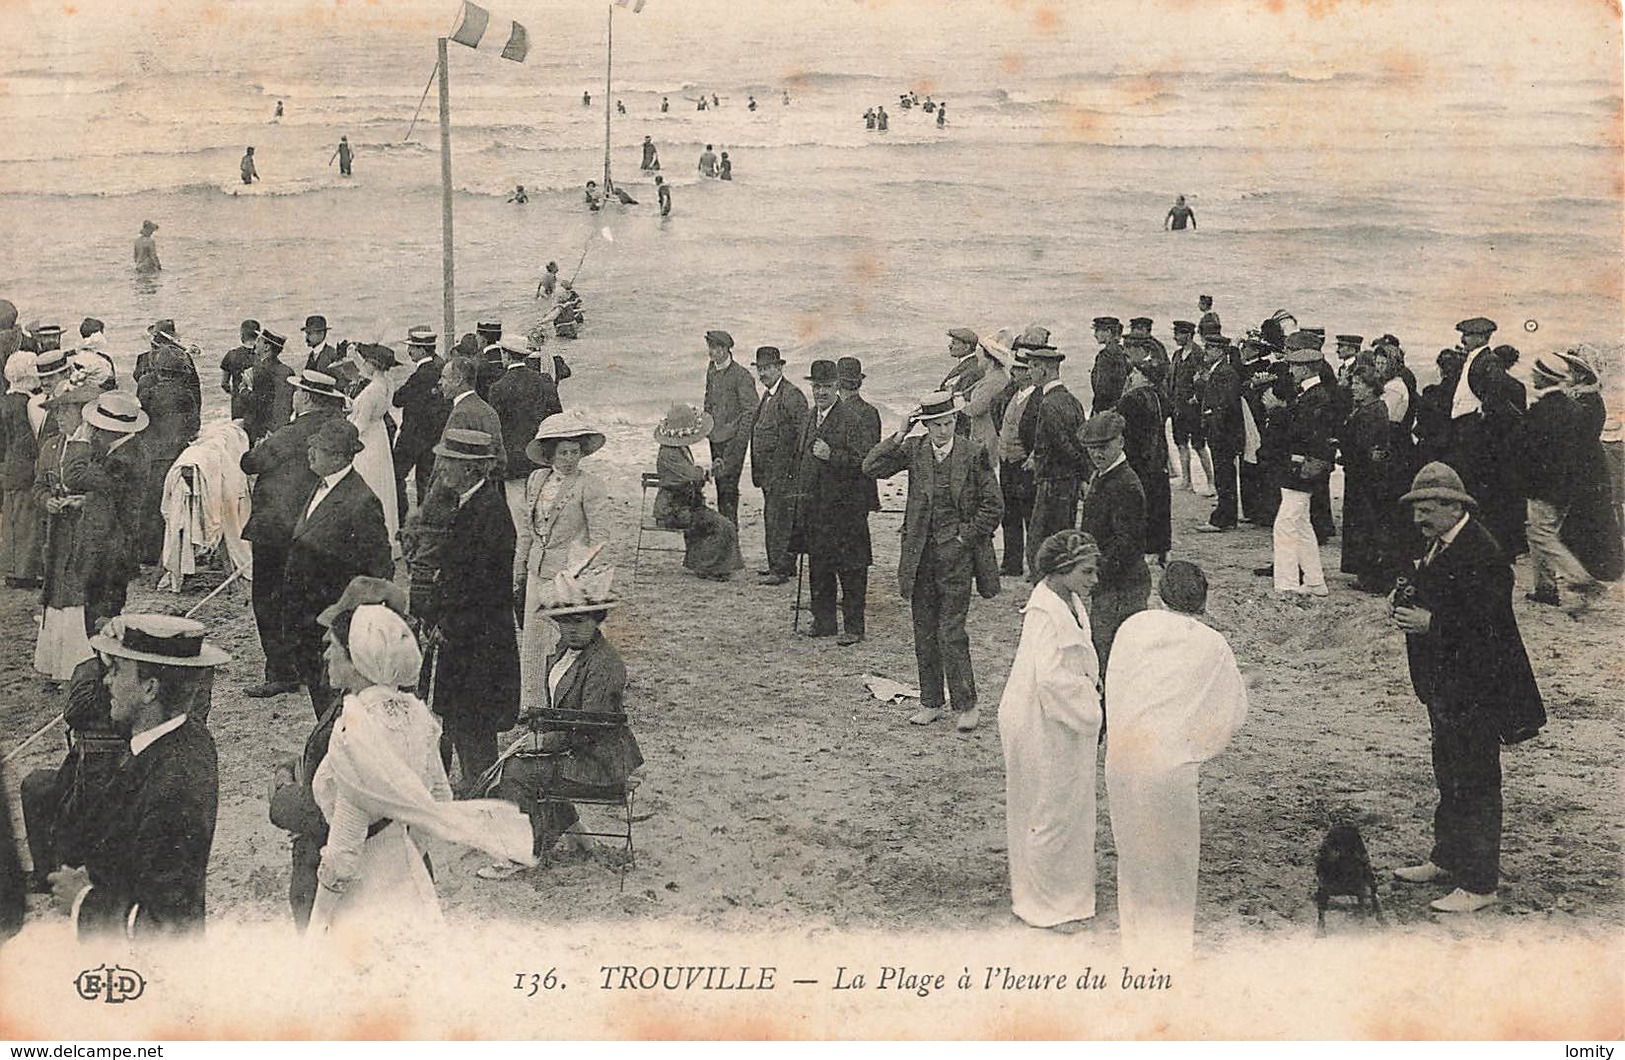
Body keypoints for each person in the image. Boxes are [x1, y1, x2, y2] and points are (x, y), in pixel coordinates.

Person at [306, 592, 533, 935]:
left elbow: (343, 850)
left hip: (368, 885)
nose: (325, 656)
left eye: (334, 649)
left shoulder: (354, 731)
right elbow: (439, 799)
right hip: (409, 872)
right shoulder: (417, 714)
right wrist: (405, 848)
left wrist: (316, 924)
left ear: (357, 661)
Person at [1390, 462, 1544, 914]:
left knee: (1475, 780)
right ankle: (1448, 858)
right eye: (1416, 509)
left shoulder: (1483, 552)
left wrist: (1430, 622)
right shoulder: (1440, 545)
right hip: (1446, 687)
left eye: (1427, 509)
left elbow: (1488, 627)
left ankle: (1479, 883)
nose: (1418, 519)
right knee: (1450, 773)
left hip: (1478, 688)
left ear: (1454, 506)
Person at [48, 614, 226, 938]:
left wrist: (82, 901)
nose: (106, 681)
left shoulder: (172, 785)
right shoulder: (187, 738)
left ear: (149, 688)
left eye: (116, 670)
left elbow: (168, 926)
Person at [1105, 561, 1247, 958]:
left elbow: (1116, 683)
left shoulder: (1133, 627)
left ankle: (1136, 948)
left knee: (1133, 856)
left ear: (1160, 594)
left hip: (1123, 756)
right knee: (1173, 862)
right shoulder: (1213, 644)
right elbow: (1233, 712)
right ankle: (1169, 956)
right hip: (1170, 766)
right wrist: (1194, 750)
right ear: (1202, 601)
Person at [481, 572, 642, 877]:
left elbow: (592, 726)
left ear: (597, 620)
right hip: (578, 748)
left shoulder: (605, 664)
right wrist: (537, 720)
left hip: (600, 761)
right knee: (512, 762)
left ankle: (524, 853)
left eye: (580, 621)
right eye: (565, 621)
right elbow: (565, 711)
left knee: (517, 773)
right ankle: (575, 833)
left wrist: (545, 742)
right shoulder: (563, 653)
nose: (571, 629)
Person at [863, 392, 1002, 730]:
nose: (944, 431)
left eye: (949, 423)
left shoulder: (972, 454)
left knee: (951, 632)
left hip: (957, 559)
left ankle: (966, 705)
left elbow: (993, 507)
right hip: (920, 556)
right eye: (937, 424)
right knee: (924, 631)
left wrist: (962, 538)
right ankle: (931, 701)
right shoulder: (915, 450)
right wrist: (900, 432)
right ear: (925, 425)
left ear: (956, 421)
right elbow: (871, 467)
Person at [997, 530, 1103, 930]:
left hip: (1060, 717)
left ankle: (1066, 893)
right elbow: (1051, 680)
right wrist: (1092, 709)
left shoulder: (1069, 600)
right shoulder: (1045, 614)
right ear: (1062, 571)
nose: (1094, 579)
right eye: (1087, 571)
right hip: (1041, 720)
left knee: (1067, 806)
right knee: (1050, 808)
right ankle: (1044, 903)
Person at [411, 430, 521, 794]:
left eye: (449, 462)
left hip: (478, 641)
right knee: (462, 718)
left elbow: (486, 590)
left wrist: (449, 623)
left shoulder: (488, 513)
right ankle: (477, 787)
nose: (441, 468)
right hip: (468, 638)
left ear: (472, 469)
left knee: (474, 724)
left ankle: (485, 794)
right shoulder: (472, 506)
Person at [241, 369, 349, 698]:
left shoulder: (291, 433)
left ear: (305, 397)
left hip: (278, 528)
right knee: (308, 596)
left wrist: (261, 445)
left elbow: (250, 462)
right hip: (318, 524)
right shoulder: (336, 429)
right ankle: (307, 665)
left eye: (297, 391)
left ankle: (281, 671)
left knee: (270, 598)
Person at [281, 418, 393, 719]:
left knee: (338, 708)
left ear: (341, 458)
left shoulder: (361, 501)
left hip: (333, 624)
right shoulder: (320, 485)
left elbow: (379, 570)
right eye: (313, 445)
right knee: (322, 702)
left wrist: (346, 619)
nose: (311, 452)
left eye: (321, 449)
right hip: (307, 619)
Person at [514, 412, 610, 707]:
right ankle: (533, 702)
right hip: (537, 571)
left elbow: (601, 538)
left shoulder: (589, 485)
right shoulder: (536, 480)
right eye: (563, 452)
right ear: (550, 453)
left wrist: (591, 580)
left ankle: (569, 701)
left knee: (567, 640)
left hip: (569, 575)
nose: (570, 458)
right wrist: (519, 570)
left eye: (575, 452)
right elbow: (527, 532)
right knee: (533, 639)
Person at [792, 361, 873, 644]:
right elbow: (801, 460)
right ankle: (824, 622)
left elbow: (865, 463)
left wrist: (832, 455)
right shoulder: (809, 416)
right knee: (819, 566)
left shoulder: (852, 419)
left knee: (851, 569)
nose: (821, 392)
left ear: (837, 386)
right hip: (816, 508)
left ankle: (854, 628)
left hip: (846, 509)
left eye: (826, 386)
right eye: (816, 386)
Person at [1520, 353, 1607, 611]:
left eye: (1535, 373)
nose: (1532, 376)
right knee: (1541, 531)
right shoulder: (1571, 408)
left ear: (1545, 377)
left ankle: (1581, 580)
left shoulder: (1543, 410)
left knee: (1540, 533)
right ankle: (1544, 589)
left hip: (1546, 485)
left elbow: (1535, 451)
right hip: (1566, 484)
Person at [1441, 317, 1526, 558]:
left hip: (1475, 436)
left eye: (1467, 335)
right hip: (1465, 432)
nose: (1462, 339)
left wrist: (1482, 422)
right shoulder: (1475, 360)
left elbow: (1496, 399)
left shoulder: (1488, 361)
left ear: (1481, 337)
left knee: (1479, 491)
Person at [31, 384, 99, 679]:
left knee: (78, 592)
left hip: (84, 533)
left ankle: (77, 665)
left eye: (64, 411)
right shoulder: (51, 446)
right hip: (57, 533)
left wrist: (81, 502)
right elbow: (38, 486)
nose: (59, 417)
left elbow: (105, 492)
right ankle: (53, 663)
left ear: (82, 413)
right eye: (56, 411)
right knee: (55, 591)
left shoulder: (93, 447)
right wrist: (48, 501)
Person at [1077, 411, 1149, 677]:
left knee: (1112, 659)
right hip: (1114, 582)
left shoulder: (1124, 483)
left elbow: (1126, 544)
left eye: (1103, 447)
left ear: (1120, 442)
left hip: (1122, 586)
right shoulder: (1106, 474)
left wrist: (1094, 574)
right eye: (1091, 449)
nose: (1096, 455)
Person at [66, 392, 147, 629]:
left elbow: (74, 477)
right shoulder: (128, 448)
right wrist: (87, 501)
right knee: (99, 609)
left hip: (109, 548)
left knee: (100, 614)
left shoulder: (122, 459)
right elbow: (111, 493)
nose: (95, 430)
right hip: (112, 542)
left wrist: (80, 442)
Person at [1019, 327, 1090, 579]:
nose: (1029, 372)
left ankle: (1046, 584)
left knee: (1041, 538)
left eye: (1032, 367)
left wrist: (1039, 461)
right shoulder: (1071, 399)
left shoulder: (1049, 403)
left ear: (1044, 370)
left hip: (1052, 481)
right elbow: (1081, 442)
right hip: (1067, 480)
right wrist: (1083, 476)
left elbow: (1063, 445)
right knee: (1063, 532)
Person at [1272, 333, 1337, 597]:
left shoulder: (1314, 396)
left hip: (1301, 468)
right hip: (1303, 466)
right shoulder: (1314, 394)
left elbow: (1306, 434)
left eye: (1294, 366)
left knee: (1286, 525)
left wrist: (1279, 412)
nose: (1290, 370)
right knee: (1302, 524)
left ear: (1306, 368)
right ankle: (1314, 580)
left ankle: (1286, 583)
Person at [341, 342, 415, 557]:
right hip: (379, 435)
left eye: (364, 361)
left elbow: (360, 425)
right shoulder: (386, 382)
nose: (361, 365)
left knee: (368, 482)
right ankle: (387, 534)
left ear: (373, 364)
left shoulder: (372, 389)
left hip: (368, 441)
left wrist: (347, 421)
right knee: (383, 485)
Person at [654, 404, 743, 580]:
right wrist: (709, 471)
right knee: (724, 526)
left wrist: (707, 471)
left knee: (716, 523)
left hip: (683, 505)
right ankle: (710, 568)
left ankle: (703, 564)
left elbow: (690, 476)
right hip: (673, 510)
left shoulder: (677, 449)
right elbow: (691, 476)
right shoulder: (670, 453)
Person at [747, 346, 808, 586]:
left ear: (779, 368)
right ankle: (782, 565)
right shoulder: (769, 394)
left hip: (784, 474)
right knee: (775, 518)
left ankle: (780, 570)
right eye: (760, 369)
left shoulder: (791, 395)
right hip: (769, 473)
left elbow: (801, 435)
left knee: (779, 519)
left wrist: (792, 471)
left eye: (767, 368)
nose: (763, 373)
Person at [135, 343, 202, 564]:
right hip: (176, 454)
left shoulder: (147, 393)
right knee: (175, 504)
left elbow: (139, 423)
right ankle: (175, 551)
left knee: (151, 504)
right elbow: (194, 425)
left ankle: (149, 553)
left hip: (151, 454)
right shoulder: (185, 394)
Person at [490, 336, 563, 529]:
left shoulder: (498, 388)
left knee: (517, 510)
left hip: (512, 459)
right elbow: (555, 418)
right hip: (537, 454)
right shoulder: (541, 383)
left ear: (506, 355)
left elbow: (496, 427)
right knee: (537, 508)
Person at [1339, 365, 1400, 593]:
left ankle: (1371, 577)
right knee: (1363, 523)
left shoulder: (1372, 411)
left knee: (1365, 524)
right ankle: (1367, 574)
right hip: (1361, 474)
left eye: (1358, 384)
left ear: (1371, 388)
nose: (1353, 388)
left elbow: (1366, 446)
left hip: (1365, 477)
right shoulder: (1369, 407)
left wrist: (1344, 449)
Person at [391, 326, 450, 520]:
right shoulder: (439, 368)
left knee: (396, 476)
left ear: (422, 350)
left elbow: (398, 399)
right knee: (426, 481)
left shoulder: (419, 376)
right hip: (433, 437)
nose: (409, 351)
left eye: (413, 348)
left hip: (413, 437)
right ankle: (426, 521)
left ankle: (402, 517)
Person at [701, 329, 758, 527]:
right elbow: (708, 398)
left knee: (728, 490)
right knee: (720, 487)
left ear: (726, 349)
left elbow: (751, 411)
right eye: (710, 347)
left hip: (733, 441)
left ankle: (729, 536)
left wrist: (740, 442)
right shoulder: (711, 368)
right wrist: (705, 423)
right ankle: (725, 535)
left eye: (715, 348)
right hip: (715, 438)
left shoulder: (741, 375)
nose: (711, 352)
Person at [1117, 359, 1171, 561]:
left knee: (1139, 503)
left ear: (1146, 378)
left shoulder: (1131, 399)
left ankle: (1145, 548)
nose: (1132, 376)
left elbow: (1120, 427)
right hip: (1157, 456)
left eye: (1137, 373)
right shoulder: (1160, 396)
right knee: (1159, 502)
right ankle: (1161, 548)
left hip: (1137, 456)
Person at [0, 351, 44, 587]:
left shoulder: (5, 401)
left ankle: (11, 568)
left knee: (11, 517)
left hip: (8, 463)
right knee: (27, 517)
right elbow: (37, 435)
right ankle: (25, 572)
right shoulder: (30, 403)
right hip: (27, 463)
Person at [996, 345, 1038, 576]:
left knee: (1030, 516)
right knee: (1009, 514)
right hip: (1007, 462)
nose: (1014, 373)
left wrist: (1031, 455)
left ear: (1029, 372)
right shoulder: (1013, 394)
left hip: (1024, 464)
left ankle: (1033, 565)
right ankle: (1012, 563)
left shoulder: (1037, 397)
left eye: (1020, 370)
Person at [1196, 334, 1242, 530]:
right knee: (1224, 473)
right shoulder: (1220, 371)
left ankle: (1223, 517)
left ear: (1220, 351)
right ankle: (1226, 515)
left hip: (1222, 433)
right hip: (1221, 431)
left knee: (1224, 474)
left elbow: (1225, 405)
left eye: (1209, 348)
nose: (1205, 352)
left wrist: (1212, 422)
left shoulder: (1225, 373)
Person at [438, 356, 507, 477]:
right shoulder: (488, 410)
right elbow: (500, 460)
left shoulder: (460, 414)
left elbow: (444, 464)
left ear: (459, 380)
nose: (440, 382)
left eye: (444, 377)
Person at [1168, 320, 1212, 494]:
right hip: (1178, 407)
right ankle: (1187, 481)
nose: (1175, 337)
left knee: (1199, 445)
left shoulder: (1198, 354)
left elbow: (1205, 378)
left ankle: (1210, 482)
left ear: (1188, 334)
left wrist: (1197, 397)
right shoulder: (1177, 355)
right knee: (1181, 443)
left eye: (1178, 334)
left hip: (1193, 408)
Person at [240, 326, 294, 444]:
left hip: (265, 434)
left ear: (266, 347)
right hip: (261, 431)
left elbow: (281, 407)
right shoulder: (268, 368)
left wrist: (244, 390)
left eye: (259, 340)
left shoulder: (279, 371)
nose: (255, 343)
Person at [219, 319, 259, 420]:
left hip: (239, 402)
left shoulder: (231, 355)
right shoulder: (262, 356)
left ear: (242, 335)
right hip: (258, 402)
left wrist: (235, 393)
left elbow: (224, 383)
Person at [1089, 316, 1129, 413]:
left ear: (1108, 332)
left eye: (1098, 331)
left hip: (1106, 410)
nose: (1095, 335)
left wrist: (1097, 411)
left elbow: (1102, 389)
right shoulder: (1123, 352)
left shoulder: (1106, 356)